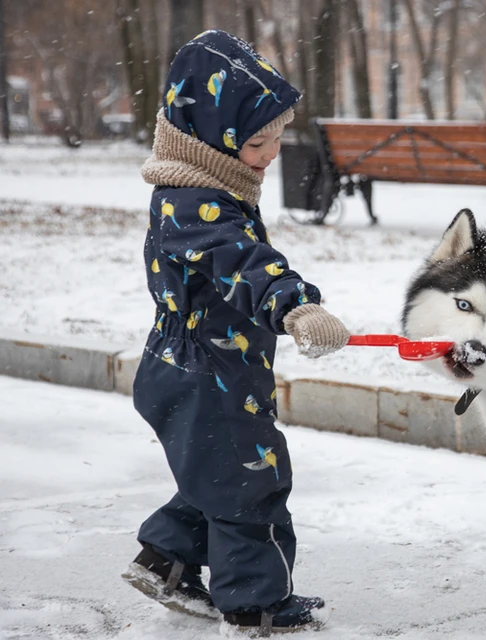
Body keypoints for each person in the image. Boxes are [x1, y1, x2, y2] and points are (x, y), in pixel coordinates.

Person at [121, 30, 351, 635]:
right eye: (258, 140)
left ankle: (165, 559)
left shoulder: (201, 189)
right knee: (255, 483)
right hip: (209, 374)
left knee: (219, 475)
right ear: (211, 137)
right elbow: (240, 261)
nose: (272, 151)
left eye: (279, 135)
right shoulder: (197, 203)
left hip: (199, 367)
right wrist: (297, 306)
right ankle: (256, 604)